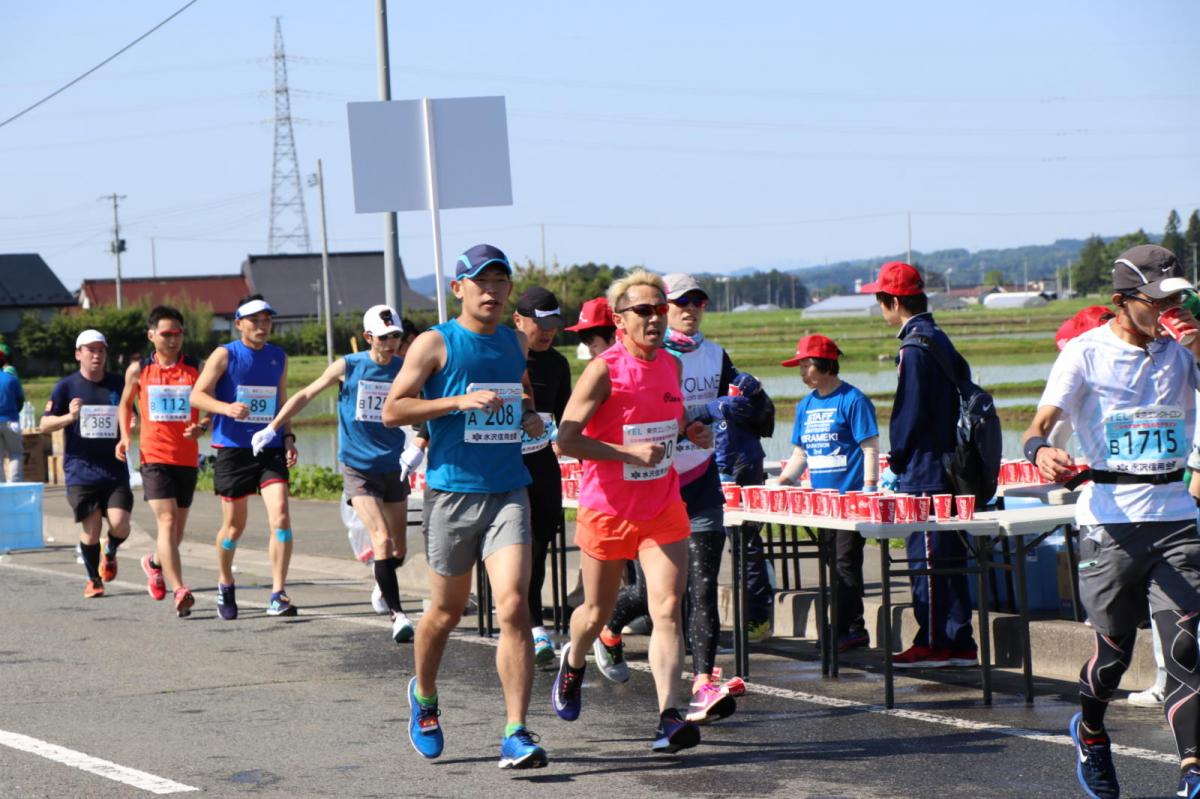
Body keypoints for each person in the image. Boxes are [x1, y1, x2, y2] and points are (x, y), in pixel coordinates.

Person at [1022, 244, 1200, 799]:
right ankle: (1092, 730)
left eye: (1181, 298)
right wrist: (1040, 453)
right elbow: (1040, 426)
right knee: (1114, 655)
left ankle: (1193, 772)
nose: (1172, 310)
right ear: (1124, 303)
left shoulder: (1185, 352)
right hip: (1110, 523)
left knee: (1187, 651)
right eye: (1159, 301)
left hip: (1177, 515)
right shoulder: (1083, 354)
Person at [382, 244, 548, 769]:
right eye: (482, 281)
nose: (493, 291)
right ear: (459, 288)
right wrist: (457, 401)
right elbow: (393, 410)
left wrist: (529, 418)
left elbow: (521, 396)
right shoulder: (436, 343)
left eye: (501, 281)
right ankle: (425, 698)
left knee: (514, 606)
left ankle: (516, 730)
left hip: (507, 491)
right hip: (452, 492)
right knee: (447, 613)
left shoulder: (516, 342)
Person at [554, 269, 710, 753]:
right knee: (595, 611)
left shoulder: (671, 364)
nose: (656, 318)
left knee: (667, 609)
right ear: (619, 319)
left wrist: (690, 431)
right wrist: (626, 455)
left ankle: (669, 716)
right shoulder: (603, 369)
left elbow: (670, 416)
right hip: (608, 508)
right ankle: (575, 659)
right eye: (644, 310)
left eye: (660, 309)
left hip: (662, 505)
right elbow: (566, 439)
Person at [253, 305, 416, 644]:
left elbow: (428, 404)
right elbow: (305, 394)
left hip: (394, 465)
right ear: (368, 337)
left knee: (397, 549)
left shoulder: (405, 369)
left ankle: (381, 579)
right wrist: (272, 427)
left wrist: (420, 446)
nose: (390, 344)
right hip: (358, 467)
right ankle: (398, 615)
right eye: (384, 338)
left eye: (396, 337)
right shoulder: (349, 366)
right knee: (381, 539)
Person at [863, 260, 978, 668]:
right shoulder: (938, 337)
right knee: (949, 556)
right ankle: (958, 638)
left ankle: (933, 642)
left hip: (926, 469)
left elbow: (908, 413)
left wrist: (898, 457)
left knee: (925, 558)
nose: (880, 309)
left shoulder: (914, 346)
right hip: (949, 463)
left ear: (892, 301)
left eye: (880, 301)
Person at [190, 294, 299, 619]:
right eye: (255, 321)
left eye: (267, 320)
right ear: (239, 324)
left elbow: (282, 402)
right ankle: (225, 581)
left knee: (280, 516)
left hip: (270, 446)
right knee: (234, 528)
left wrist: (289, 438)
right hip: (233, 449)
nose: (262, 326)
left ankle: (278, 593)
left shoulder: (278, 356)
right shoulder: (225, 355)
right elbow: (197, 394)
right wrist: (226, 408)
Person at [778, 334, 879, 652]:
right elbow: (800, 454)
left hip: (851, 501)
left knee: (845, 562)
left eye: (805, 365)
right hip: (822, 504)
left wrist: (870, 490)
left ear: (823, 364)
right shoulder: (805, 405)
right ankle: (854, 627)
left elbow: (870, 448)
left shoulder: (853, 399)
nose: (801, 372)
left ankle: (842, 628)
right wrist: (785, 480)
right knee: (833, 564)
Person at [115, 306, 206, 617]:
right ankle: (180, 588)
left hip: (187, 458)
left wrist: (202, 426)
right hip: (153, 457)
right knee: (166, 522)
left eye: (178, 333)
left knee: (176, 532)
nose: (173, 339)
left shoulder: (195, 367)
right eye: (166, 334)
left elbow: (209, 404)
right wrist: (125, 436)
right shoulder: (138, 370)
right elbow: (125, 404)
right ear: (151, 335)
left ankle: (153, 562)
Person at [40, 330, 130, 598]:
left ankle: (110, 550)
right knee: (92, 529)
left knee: (121, 524)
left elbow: (131, 416)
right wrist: (69, 416)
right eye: (90, 350)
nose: (96, 355)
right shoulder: (66, 386)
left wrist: (130, 427)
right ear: (78, 354)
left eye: (101, 350)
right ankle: (94, 580)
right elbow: (44, 424)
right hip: (81, 471)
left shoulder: (118, 384)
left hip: (114, 469)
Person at [512, 286, 572, 667]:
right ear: (518, 320)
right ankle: (533, 626)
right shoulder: (501, 357)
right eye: (540, 324)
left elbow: (566, 416)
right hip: (505, 464)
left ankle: (530, 617)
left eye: (553, 324)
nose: (547, 332)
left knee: (543, 536)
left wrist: (567, 440)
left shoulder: (559, 364)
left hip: (542, 461)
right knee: (523, 545)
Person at [0, 348, 24, 482]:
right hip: (11, 421)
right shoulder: (11, 379)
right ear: (3, 362)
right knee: (15, 454)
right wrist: (14, 412)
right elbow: (20, 400)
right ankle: (14, 484)